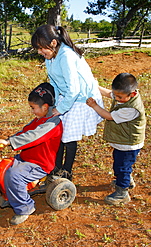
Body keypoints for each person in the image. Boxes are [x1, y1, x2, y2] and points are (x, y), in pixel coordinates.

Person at [31, 24, 103, 181]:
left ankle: (67, 171)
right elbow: (54, 82)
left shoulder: (66, 56)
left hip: (81, 98)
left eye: (41, 48)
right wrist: (55, 103)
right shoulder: (51, 57)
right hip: (68, 95)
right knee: (58, 132)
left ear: (53, 43)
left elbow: (75, 88)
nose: (39, 52)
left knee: (69, 136)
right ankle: (55, 167)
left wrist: (62, 108)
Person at [0, 82, 63, 225]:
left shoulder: (51, 124)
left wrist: (11, 142)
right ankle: (8, 195)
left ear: (45, 107)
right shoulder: (40, 118)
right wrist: (10, 139)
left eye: (33, 108)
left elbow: (33, 136)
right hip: (26, 158)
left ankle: (25, 207)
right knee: (1, 168)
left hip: (39, 164)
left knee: (13, 176)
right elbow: (25, 130)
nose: (32, 111)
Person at [86, 73, 146, 205]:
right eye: (116, 95)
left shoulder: (131, 109)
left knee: (122, 166)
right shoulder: (124, 95)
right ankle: (126, 180)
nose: (116, 99)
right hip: (123, 142)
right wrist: (97, 86)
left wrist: (94, 105)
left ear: (132, 94)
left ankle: (122, 193)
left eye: (119, 97)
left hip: (129, 143)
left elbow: (108, 116)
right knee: (120, 164)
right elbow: (109, 94)